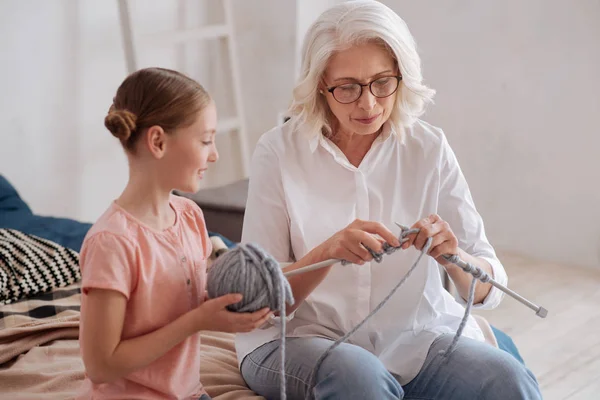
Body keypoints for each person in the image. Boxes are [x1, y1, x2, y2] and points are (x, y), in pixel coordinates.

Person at [236, 1, 542, 399]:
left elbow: (489, 289)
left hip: (414, 340)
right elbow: (260, 298)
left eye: (382, 82)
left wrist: (454, 257)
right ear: (319, 86)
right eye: (347, 87)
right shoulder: (278, 152)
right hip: (299, 339)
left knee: (507, 378)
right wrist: (327, 251)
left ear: (402, 76)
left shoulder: (428, 148)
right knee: (358, 375)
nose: (368, 103)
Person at [77, 67, 272, 400]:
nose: (214, 154)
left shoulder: (190, 215)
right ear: (158, 141)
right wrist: (196, 322)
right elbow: (101, 365)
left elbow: (197, 295)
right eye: (206, 140)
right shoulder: (111, 243)